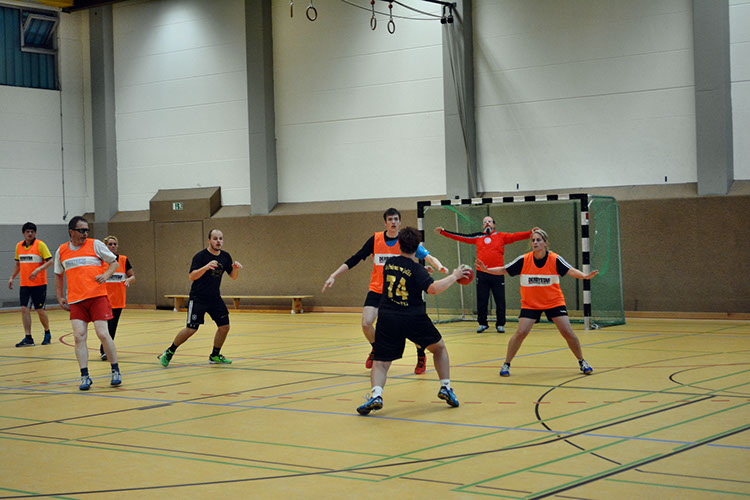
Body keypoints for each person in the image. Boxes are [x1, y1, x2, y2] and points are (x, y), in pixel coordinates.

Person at [356, 226, 470, 415]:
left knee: (381, 361)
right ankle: (446, 387)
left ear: (399, 244)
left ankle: (376, 395)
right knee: (439, 348)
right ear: (417, 247)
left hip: (388, 317)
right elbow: (433, 289)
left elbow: (402, 275)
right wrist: (454, 276)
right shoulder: (416, 269)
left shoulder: (389, 264)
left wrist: (422, 273)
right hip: (412, 317)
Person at [322, 208, 449, 375]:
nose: (393, 222)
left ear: (400, 222)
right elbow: (356, 258)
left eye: (396, 219)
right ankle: (376, 348)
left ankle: (420, 355)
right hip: (377, 289)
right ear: (385, 222)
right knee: (366, 323)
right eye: (390, 219)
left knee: (412, 327)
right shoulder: (376, 239)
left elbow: (428, 257)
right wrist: (334, 275)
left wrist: (439, 266)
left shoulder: (405, 241)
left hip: (400, 292)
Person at [476, 228, 598, 377]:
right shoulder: (524, 259)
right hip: (530, 303)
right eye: (533, 240)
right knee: (521, 333)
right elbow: (504, 269)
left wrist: (584, 276)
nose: (535, 242)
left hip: (554, 302)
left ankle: (582, 361)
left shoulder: (554, 259)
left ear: (545, 243)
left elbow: (570, 270)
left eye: (539, 240)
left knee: (567, 332)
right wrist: (486, 270)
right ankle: (506, 363)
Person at [54, 216, 122, 390]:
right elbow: (58, 275)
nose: (85, 233)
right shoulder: (61, 250)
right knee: (79, 336)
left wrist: (105, 276)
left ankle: (115, 370)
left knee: (103, 334)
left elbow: (114, 263)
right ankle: (84, 376)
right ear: (71, 232)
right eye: (81, 230)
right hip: (76, 300)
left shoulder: (96, 245)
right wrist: (60, 297)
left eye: (87, 230)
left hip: (97, 297)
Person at [158, 229, 242, 367]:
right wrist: (206, 267)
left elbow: (233, 276)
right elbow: (192, 276)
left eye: (220, 238)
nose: (218, 241)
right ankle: (169, 351)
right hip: (198, 298)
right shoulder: (200, 256)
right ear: (209, 240)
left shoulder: (225, 256)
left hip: (215, 298)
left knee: (224, 327)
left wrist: (235, 269)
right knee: (191, 329)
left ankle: (215, 355)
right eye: (215, 238)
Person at [435, 217, 534, 333]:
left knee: (500, 300)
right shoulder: (477, 237)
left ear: (494, 225)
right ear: (482, 226)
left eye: (489, 221)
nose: (487, 223)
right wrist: (444, 232)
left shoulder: (502, 236)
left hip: (497, 273)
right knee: (482, 299)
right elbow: (461, 237)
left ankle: (500, 324)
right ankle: (482, 323)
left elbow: (516, 236)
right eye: (484, 222)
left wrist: (530, 233)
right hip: (481, 274)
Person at [8, 222, 54, 347]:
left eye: (32, 232)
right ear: (23, 233)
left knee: (40, 310)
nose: (30, 234)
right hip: (25, 284)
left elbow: (50, 261)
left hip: (39, 284)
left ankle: (47, 332)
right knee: (24, 309)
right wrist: (12, 277)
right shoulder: (19, 246)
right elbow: (18, 264)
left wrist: (38, 269)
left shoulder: (40, 245)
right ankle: (28, 338)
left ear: (35, 233)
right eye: (27, 232)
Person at [99, 236, 135, 361]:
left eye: (115, 244)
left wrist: (129, 280)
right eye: (110, 244)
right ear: (105, 247)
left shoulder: (123, 260)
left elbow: (132, 276)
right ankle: (104, 350)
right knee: (105, 327)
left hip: (118, 299)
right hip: (104, 299)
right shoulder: (101, 261)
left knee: (112, 327)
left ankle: (106, 349)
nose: (113, 246)